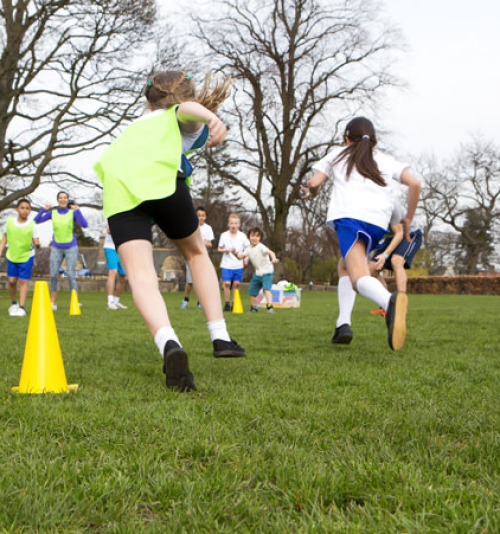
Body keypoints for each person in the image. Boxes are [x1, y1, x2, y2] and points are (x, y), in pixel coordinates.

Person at [94, 71, 246, 393]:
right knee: (195, 252)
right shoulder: (173, 116)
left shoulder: (133, 128)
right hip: (163, 184)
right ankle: (220, 336)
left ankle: (169, 344)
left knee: (140, 275)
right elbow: (183, 112)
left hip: (119, 192)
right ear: (185, 97)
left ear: (147, 99)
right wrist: (210, 116)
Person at [302, 116, 421, 351]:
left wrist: (311, 192)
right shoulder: (385, 160)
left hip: (350, 220)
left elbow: (315, 182)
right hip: (377, 223)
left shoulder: (339, 154)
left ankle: (390, 304)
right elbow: (415, 184)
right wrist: (408, 215)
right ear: (373, 141)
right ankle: (343, 324)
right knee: (344, 265)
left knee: (358, 279)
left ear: (347, 139)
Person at [34, 191, 88, 311]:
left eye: (65, 198)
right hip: (56, 248)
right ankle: (53, 302)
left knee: (70, 274)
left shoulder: (72, 213)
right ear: (57, 200)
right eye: (60, 198)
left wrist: (77, 210)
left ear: (68, 200)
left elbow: (84, 225)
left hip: (71, 247)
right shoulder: (53, 213)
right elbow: (36, 221)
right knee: (53, 274)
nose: (63, 199)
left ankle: (75, 301)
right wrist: (44, 209)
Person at [370, 202, 423, 294]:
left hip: (409, 233)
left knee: (396, 260)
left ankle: (400, 302)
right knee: (371, 269)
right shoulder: (364, 212)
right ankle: (387, 303)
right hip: (391, 237)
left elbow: (399, 234)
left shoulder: (390, 207)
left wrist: (385, 255)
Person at [0, 199, 40, 316]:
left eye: (27, 208)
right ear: (17, 209)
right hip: (12, 255)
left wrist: (37, 244)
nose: (24, 210)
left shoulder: (33, 225)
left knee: (23, 281)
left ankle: (21, 308)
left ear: (30, 211)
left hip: (27, 256)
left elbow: (36, 241)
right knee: (12, 281)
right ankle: (14, 303)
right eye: (22, 208)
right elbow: (4, 240)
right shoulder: (9, 222)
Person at [233, 227, 279, 313]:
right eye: (253, 236)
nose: (255, 238)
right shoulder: (248, 249)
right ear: (249, 237)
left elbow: (271, 252)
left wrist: (273, 259)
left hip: (267, 272)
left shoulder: (261, 247)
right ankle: (254, 308)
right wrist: (235, 253)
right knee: (251, 292)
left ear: (260, 238)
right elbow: (240, 257)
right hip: (257, 274)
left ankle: (270, 307)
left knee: (266, 289)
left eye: (257, 236)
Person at [181, 206, 214, 310]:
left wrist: (204, 243)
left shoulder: (208, 228)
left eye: (203, 215)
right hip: (191, 256)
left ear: (206, 217)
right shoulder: (191, 226)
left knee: (202, 280)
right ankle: (185, 300)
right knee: (190, 281)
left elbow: (210, 244)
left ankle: (200, 302)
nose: (201, 217)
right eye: (199, 215)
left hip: (203, 257)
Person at [218, 213, 250, 311]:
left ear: (239, 225)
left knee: (236, 284)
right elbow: (219, 248)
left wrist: (246, 258)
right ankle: (227, 304)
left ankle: (234, 303)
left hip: (238, 265)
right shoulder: (223, 235)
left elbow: (248, 248)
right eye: (231, 223)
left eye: (235, 223)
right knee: (227, 283)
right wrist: (225, 251)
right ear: (228, 224)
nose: (233, 225)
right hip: (226, 265)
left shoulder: (242, 236)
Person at [103, 222, 128, 310]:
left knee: (123, 276)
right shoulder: (110, 214)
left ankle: (116, 301)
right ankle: (110, 301)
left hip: (122, 248)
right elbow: (109, 230)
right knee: (113, 272)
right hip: (110, 248)